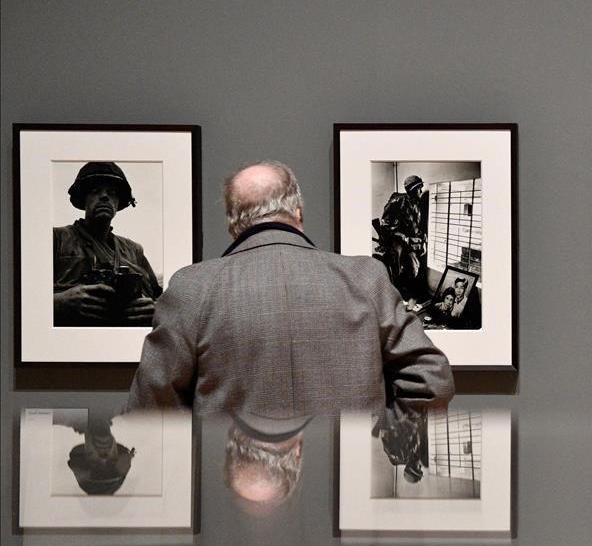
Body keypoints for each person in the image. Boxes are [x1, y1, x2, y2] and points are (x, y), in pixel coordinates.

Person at [126, 160, 453, 415]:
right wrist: (384, 448)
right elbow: (431, 382)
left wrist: (196, 456)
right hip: (348, 485)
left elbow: (150, 412)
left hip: (226, 492)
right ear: (297, 211)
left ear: (233, 222)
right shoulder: (367, 278)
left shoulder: (191, 288)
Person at [53, 162, 161, 326]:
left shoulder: (134, 250)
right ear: (84, 199)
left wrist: (155, 309)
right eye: (95, 191)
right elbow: (22, 295)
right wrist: (58, 302)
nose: (104, 197)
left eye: (112, 193)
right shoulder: (57, 237)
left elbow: (160, 299)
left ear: (118, 203)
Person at [373, 174, 428, 304]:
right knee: (398, 267)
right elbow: (386, 224)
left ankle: (410, 294)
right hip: (397, 241)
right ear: (412, 189)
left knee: (415, 268)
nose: (421, 191)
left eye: (421, 188)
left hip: (413, 242)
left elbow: (418, 225)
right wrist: (402, 236)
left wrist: (423, 240)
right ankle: (397, 296)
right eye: (419, 188)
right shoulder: (397, 202)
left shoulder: (418, 203)